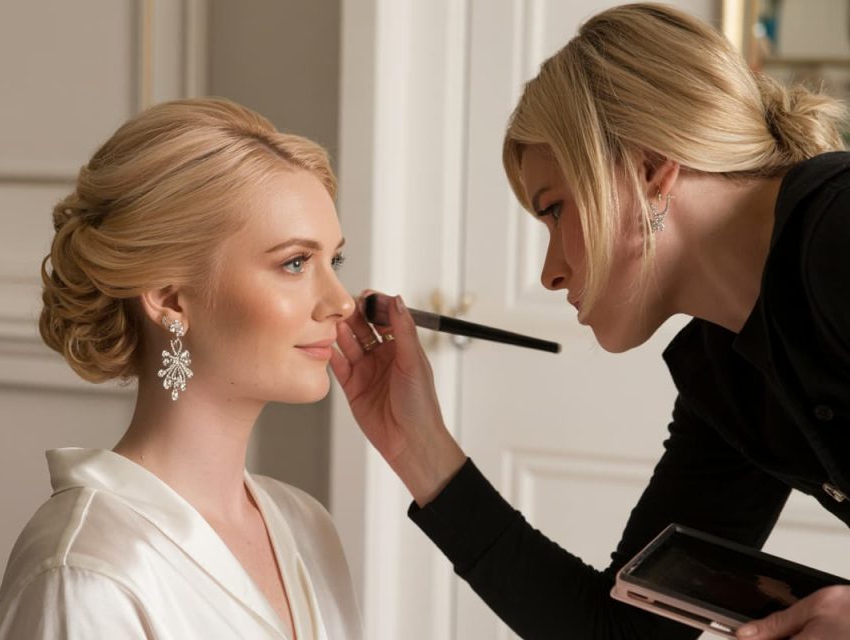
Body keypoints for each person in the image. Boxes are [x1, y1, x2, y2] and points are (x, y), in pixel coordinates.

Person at [330, 4, 850, 639]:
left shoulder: (838, 235)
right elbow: (619, 631)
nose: (551, 272)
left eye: (554, 211)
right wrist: (418, 445)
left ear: (651, 169)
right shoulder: (731, 372)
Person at [0, 97, 361, 639]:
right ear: (168, 297)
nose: (341, 302)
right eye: (295, 263)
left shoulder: (308, 528)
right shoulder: (88, 571)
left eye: (335, 261)